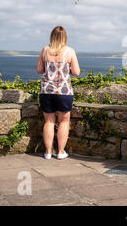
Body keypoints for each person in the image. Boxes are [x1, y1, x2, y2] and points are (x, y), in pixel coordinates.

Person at [36, 26, 80, 159]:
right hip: (64, 91)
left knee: (49, 121)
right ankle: (61, 152)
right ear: (65, 37)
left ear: (52, 36)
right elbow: (76, 72)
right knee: (64, 122)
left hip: (46, 91)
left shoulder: (45, 50)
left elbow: (39, 70)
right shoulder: (69, 51)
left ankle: (48, 152)